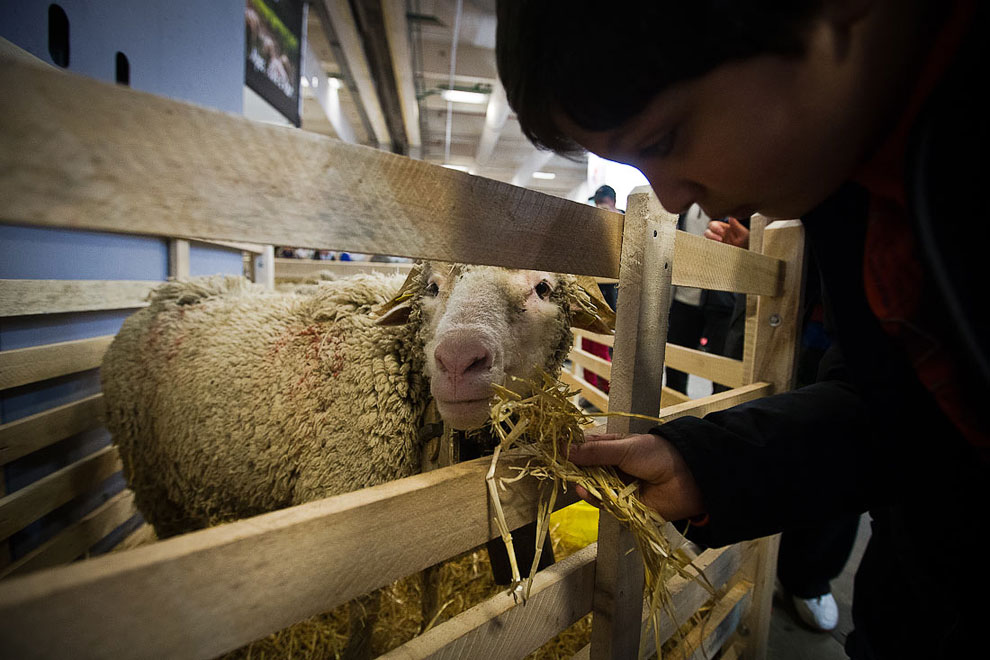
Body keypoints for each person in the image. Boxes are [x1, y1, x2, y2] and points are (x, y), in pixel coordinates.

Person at [495, 1, 988, 658]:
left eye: (663, 140)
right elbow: (896, 411)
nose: (670, 201)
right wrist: (703, 462)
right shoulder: (854, 192)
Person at [709, 216, 859, 632]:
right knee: (751, 434)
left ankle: (808, 575)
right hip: (774, 325)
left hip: (840, 334)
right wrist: (758, 247)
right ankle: (742, 566)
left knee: (841, 450)